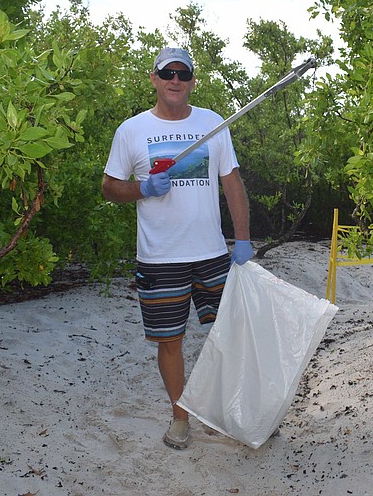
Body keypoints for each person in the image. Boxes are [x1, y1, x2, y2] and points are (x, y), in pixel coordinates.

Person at [101, 46, 253, 450]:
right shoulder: (131, 131)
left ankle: (230, 411)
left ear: (192, 82)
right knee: (170, 342)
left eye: (182, 74)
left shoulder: (214, 123)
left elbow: (232, 183)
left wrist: (242, 239)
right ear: (153, 79)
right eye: (166, 73)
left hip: (212, 254)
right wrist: (141, 188)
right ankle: (180, 418)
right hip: (159, 257)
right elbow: (109, 188)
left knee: (229, 334)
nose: (174, 80)